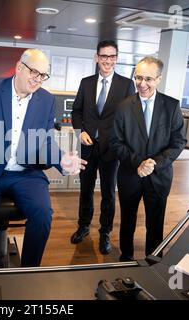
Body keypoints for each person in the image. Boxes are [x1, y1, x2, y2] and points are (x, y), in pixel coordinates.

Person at [0, 48, 86, 269]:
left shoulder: (46, 100)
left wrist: (60, 159)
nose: (38, 80)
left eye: (43, 75)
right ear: (19, 67)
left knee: (43, 213)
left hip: (26, 173)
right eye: (34, 72)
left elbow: (45, 141)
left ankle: (28, 271)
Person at [110, 56, 186, 261]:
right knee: (127, 220)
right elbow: (116, 143)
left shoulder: (171, 106)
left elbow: (178, 142)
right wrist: (138, 163)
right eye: (138, 77)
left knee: (156, 222)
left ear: (159, 79)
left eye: (148, 79)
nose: (142, 84)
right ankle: (125, 257)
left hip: (159, 176)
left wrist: (154, 163)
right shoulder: (123, 107)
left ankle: (153, 261)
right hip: (130, 175)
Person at [70, 40, 135, 254]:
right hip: (87, 147)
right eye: (104, 56)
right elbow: (76, 112)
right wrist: (82, 131)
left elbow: (130, 117)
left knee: (108, 192)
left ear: (116, 58)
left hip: (111, 148)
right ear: (97, 57)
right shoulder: (86, 83)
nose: (108, 60)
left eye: (112, 56)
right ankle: (84, 226)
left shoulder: (126, 85)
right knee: (85, 190)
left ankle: (105, 232)